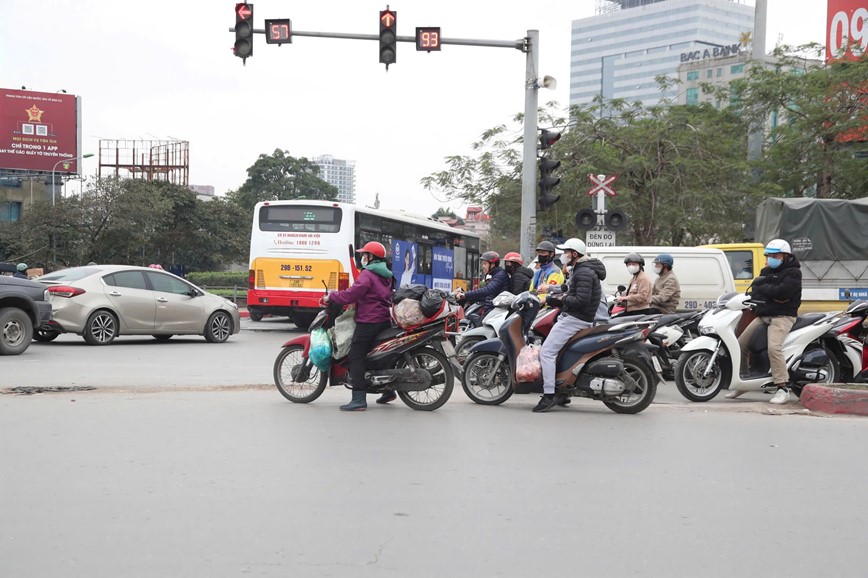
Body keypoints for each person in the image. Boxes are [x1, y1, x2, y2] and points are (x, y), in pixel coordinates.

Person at [533, 238, 607, 412]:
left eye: (566, 252)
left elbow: (580, 299)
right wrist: (550, 290)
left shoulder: (584, 273)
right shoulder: (582, 269)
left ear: (574, 254)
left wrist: (553, 300)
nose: (564, 255)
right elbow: (569, 288)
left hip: (575, 318)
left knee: (547, 352)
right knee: (559, 351)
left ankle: (549, 395)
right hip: (577, 316)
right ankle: (563, 391)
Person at [322, 241, 394, 411]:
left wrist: (332, 296)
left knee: (356, 355)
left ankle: (359, 398)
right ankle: (388, 391)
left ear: (371, 257)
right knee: (379, 354)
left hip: (369, 320)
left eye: (364, 255)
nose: (362, 258)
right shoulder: (387, 274)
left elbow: (352, 294)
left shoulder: (367, 274)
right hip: (384, 319)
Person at [731, 239, 802, 404]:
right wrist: (769, 290)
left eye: (775, 255)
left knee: (774, 348)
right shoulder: (766, 270)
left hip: (783, 317)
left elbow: (783, 293)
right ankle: (743, 382)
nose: (771, 258)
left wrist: (765, 289)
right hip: (764, 315)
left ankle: (782, 388)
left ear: (785, 256)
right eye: (769, 255)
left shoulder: (793, 273)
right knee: (740, 344)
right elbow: (756, 291)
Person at [454, 251, 509, 318]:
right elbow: (487, 296)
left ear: (492, 264)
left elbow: (487, 291)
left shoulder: (500, 276)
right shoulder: (495, 275)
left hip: (495, 313)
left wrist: (466, 294)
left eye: (485, 264)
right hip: (491, 310)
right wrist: (469, 298)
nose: (483, 266)